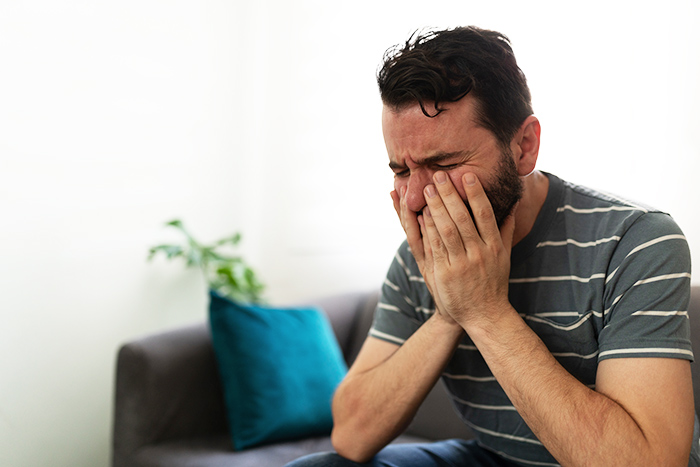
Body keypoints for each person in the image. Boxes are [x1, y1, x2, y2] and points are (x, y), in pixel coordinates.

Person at [286, 26, 698, 466]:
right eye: (402, 171)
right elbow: (351, 435)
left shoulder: (636, 242)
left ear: (524, 147)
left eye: (442, 165)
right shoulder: (422, 254)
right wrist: (450, 311)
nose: (413, 200)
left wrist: (485, 311)